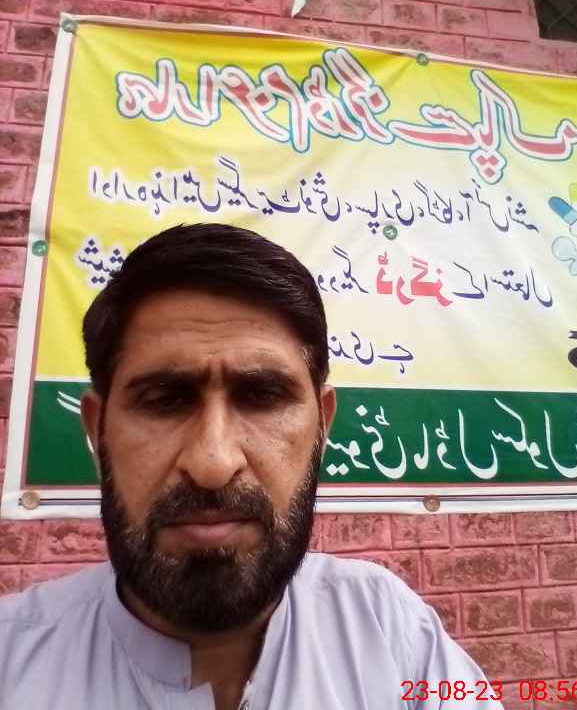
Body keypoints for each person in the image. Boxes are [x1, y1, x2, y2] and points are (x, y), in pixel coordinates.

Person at [0, 223, 502, 710]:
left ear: (322, 426)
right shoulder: (11, 660)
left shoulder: (391, 633)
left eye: (262, 396)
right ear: (98, 430)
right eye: (164, 400)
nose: (213, 464)